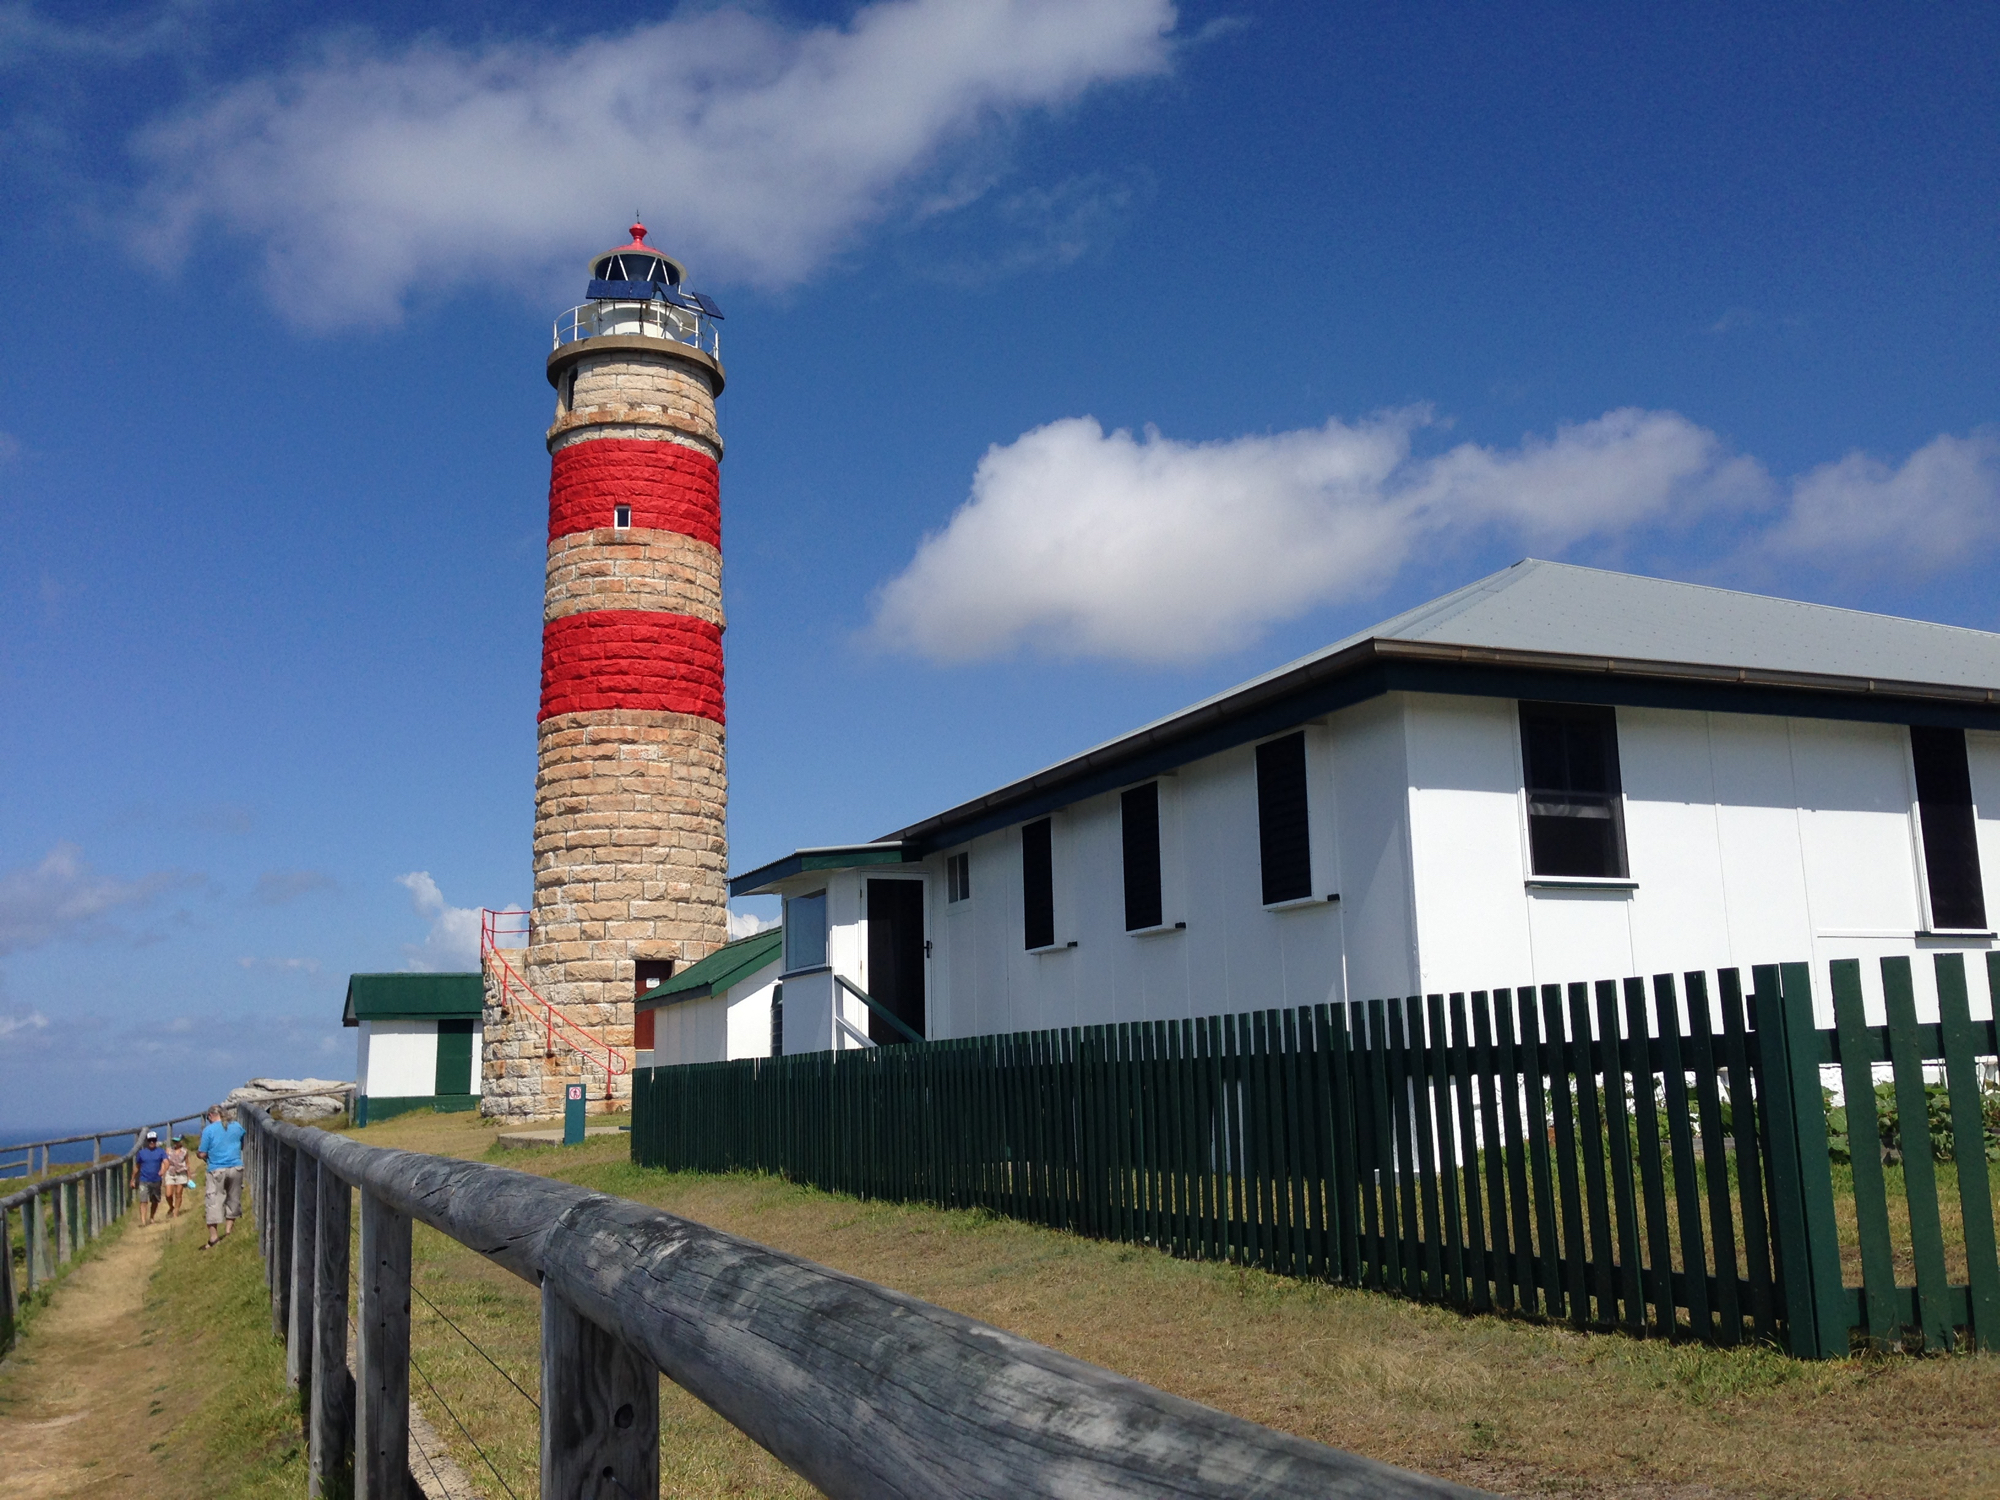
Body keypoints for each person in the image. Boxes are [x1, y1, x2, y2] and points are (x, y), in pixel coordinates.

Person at [197, 1104, 246, 1249]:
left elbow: (203, 1153)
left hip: (216, 1169)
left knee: (214, 1200)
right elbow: (241, 1145)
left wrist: (199, 1155)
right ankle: (229, 1231)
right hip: (236, 1167)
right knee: (233, 1199)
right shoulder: (237, 1126)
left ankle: (213, 1237)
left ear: (211, 1116)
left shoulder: (209, 1130)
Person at [131, 1130, 167, 1225]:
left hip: (156, 1180)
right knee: (143, 1201)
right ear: (147, 1141)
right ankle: (143, 1221)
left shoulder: (161, 1152)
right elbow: (137, 1167)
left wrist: (163, 1171)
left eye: (153, 1140)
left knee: (155, 1200)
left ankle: (151, 1217)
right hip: (144, 1180)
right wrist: (133, 1179)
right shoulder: (142, 1153)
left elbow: (166, 1162)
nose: (152, 1142)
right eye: (150, 1140)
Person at [162, 1135, 192, 1219]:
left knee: (178, 1193)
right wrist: (163, 1174)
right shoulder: (168, 1151)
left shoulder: (185, 1151)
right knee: (168, 1194)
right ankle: (171, 1206)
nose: (175, 1143)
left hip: (181, 1173)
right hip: (170, 1173)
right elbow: (165, 1162)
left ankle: (176, 1212)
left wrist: (189, 1176)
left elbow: (187, 1163)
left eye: (177, 1141)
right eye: (174, 1141)